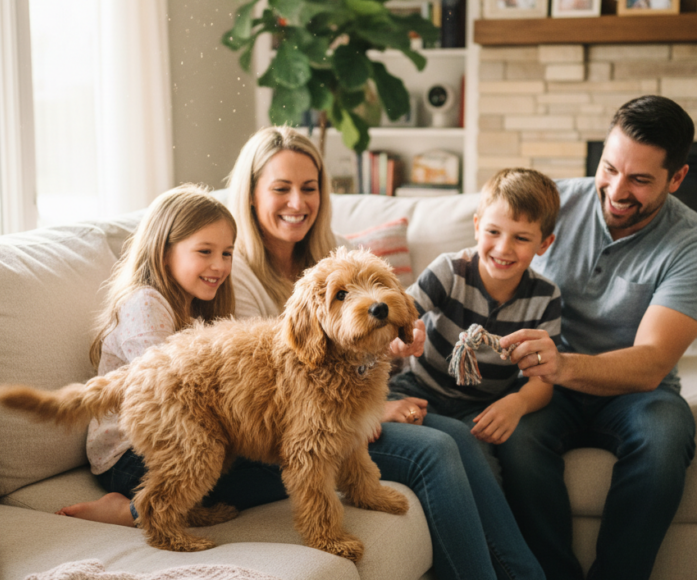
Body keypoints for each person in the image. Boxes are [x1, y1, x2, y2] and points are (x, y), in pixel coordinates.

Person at [227, 126, 545, 580]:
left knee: (459, 436)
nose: (298, 202)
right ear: (251, 194)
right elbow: (265, 382)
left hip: (355, 400)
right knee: (436, 450)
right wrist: (377, 409)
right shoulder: (234, 270)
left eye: (309, 188)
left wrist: (397, 347)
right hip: (295, 429)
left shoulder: (330, 251)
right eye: (281, 188)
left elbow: (370, 337)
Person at [495, 95, 697, 580]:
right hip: (546, 387)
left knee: (664, 437)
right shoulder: (553, 205)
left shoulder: (696, 247)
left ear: (677, 178)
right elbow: (484, 263)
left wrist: (563, 364)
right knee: (515, 437)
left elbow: (651, 362)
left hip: (636, 393)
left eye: (640, 179)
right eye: (610, 168)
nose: (617, 191)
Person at [56, 183, 241, 526]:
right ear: (163, 251)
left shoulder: (198, 309)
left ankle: (175, 506)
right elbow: (168, 393)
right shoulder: (145, 303)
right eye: (205, 251)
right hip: (129, 455)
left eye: (227, 253)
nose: (219, 265)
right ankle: (131, 510)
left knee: (286, 458)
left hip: (188, 441)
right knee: (279, 471)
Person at [389, 168, 561, 485]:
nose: (504, 248)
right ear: (477, 226)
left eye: (521, 238)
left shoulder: (546, 298)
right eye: (494, 232)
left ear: (544, 244)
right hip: (419, 389)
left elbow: (543, 380)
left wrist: (518, 403)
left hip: (482, 407)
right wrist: (403, 336)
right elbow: (400, 315)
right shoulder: (449, 270)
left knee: (483, 469)